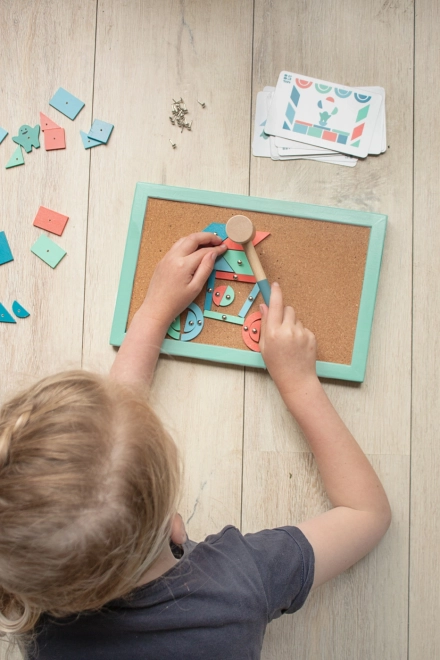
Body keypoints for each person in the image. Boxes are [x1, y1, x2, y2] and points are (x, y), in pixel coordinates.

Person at [0, 232, 391, 660]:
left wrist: (152, 315)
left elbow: (99, 471)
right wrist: (300, 384)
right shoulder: (235, 587)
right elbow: (365, 514)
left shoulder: (30, 596)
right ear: (175, 527)